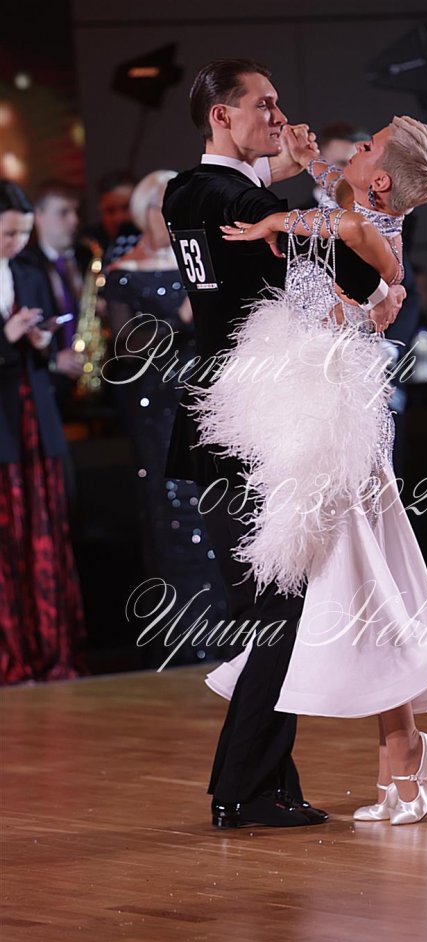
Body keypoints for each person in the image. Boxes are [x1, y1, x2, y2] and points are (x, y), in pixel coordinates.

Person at [200, 115, 427, 826]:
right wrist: (304, 161)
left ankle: (403, 747)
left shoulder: (367, 229)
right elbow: (340, 199)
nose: (350, 150)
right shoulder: (360, 208)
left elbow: (355, 232)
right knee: (359, 585)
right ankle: (401, 748)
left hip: (337, 427)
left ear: (380, 179)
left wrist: (275, 221)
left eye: (367, 147)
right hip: (310, 414)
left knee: (360, 584)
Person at [162, 58, 404, 830]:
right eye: (263, 105)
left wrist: (292, 170)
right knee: (278, 610)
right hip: (256, 419)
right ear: (221, 116)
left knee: (269, 608)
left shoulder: (183, 191)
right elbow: (330, 259)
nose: (278, 114)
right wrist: (380, 282)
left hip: (219, 418)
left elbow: (256, 206)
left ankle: (264, 783)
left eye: (278, 103)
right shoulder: (238, 201)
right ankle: (244, 788)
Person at [104, 170, 227, 668]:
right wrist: (180, 317)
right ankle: (183, 636)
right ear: (145, 211)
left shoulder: (197, 263)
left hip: (204, 395)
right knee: (170, 506)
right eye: (164, 207)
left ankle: (227, 630)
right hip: (154, 404)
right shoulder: (123, 272)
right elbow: (127, 346)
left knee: (214, 506)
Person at [0, 181, 86, 685]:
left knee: (45, 534)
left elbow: (44, 347)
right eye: (8, 234)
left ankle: (51, 652)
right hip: (5, 423)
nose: (16, 243)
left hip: (34, 417)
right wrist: (6, 338)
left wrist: (40, 342)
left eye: (22, 234)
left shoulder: (28, 273)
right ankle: (12, 657)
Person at [20, 180, 88, 412]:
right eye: (63, 212)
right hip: (48, 385)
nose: (74, 220)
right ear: (38, 216)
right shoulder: (24, 265)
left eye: (75, 212)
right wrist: (52, 359)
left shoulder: (86, 257)